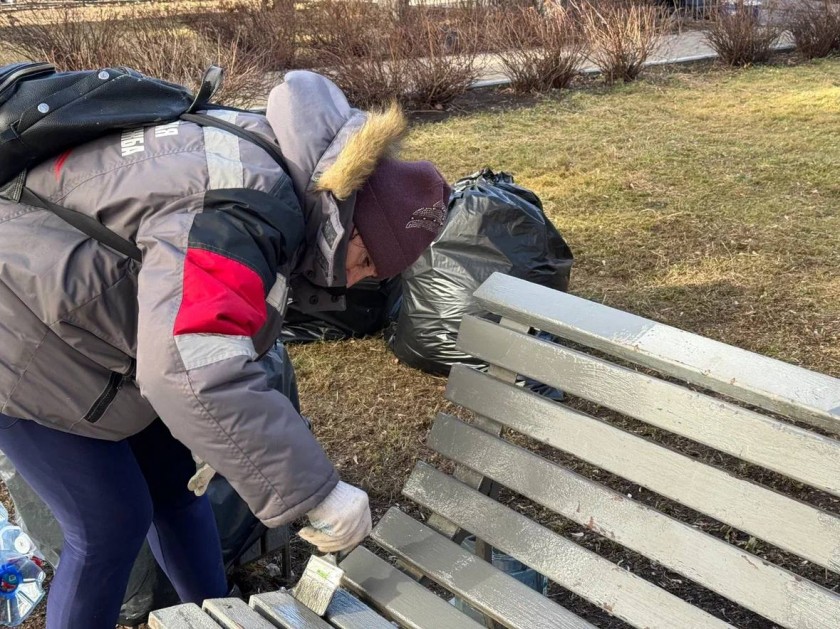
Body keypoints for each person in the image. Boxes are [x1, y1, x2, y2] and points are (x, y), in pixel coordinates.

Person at [0, 70, 450, 628]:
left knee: (174, 494)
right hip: (21, 342)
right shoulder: (243, 205)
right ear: (356, 226)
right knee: (107, 524)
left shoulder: (272, 162)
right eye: (365, 264)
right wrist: (317, 492)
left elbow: (206, 331)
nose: (355, 281)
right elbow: (191, 369)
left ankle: (220, 619)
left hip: (91, 330)